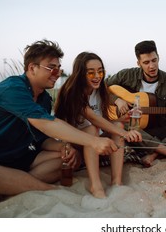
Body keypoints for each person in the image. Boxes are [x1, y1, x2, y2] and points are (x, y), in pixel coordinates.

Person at [0, 40, 118, 202]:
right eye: (51, 68)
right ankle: (47, 189)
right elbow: (46, 124)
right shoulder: (12, 88)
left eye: (58, 68)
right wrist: (93, 141)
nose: (58, 73)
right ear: (32, 68)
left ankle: (7, 186)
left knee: (71, 159)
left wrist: (64, 147)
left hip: (18, 158)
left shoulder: (44, 98)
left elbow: (41, 139)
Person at [54, 52, 142, 198]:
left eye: (100, 71)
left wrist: (122, 121)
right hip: (74, 144)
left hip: (95, 143)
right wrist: (125, 134)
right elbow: (93, 118)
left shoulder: (100, 90)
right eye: (91, 72)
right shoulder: (71, 91)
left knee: (118, 126)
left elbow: (104, 120)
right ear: (81, 73)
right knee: (92, 129)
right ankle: (96, 186)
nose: (97, 76)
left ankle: (116, 182)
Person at [106, 40, 166, 168]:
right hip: (135, 129)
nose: (151, 66)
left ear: (158, 58)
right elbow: (102, 87)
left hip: (160, 127)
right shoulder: (126, 75)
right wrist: (117, 100)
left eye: (154, 60)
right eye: (146, 62)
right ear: (138, 63)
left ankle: (154, 153)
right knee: (125, 125)